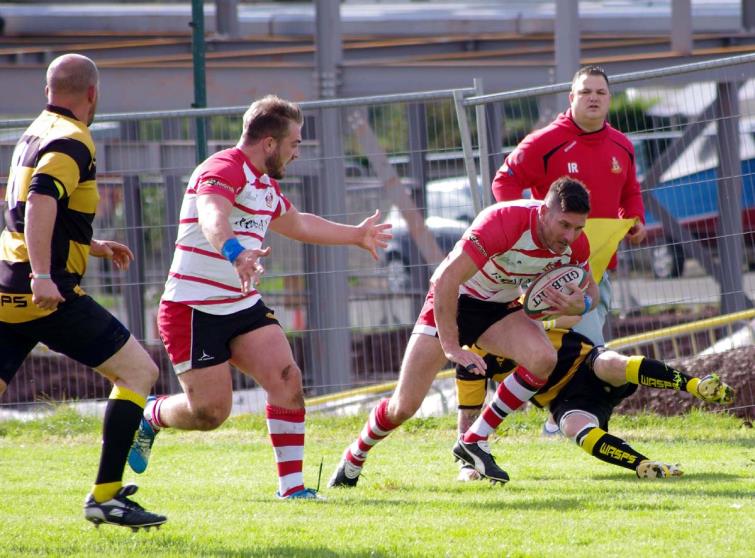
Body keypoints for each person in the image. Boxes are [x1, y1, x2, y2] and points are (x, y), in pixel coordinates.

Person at [126, 95, 392, 500]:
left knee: (287, 379)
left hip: (242, 305)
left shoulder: (265, 185)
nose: (297, 153)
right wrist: (235, 252)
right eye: (294, 144)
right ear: (269, 143)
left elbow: (299, 222)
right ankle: (151, 414)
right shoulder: (222, 168)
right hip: (192, 309)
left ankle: (293, 490)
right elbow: (212, 215)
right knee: (210, 413)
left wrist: (355, 235)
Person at [329, 176, 600, 488]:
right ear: (543, 212)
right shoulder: (504, 222)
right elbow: (444, 280)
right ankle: (355, 455)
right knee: (402, 407)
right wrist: (451, 348)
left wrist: (581, 303)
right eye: (565, 225)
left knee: (543, 358)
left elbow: (592, 293)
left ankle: (474, 439)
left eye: (578, 228)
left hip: (498, 308)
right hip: (453, 300)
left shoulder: (575, 244)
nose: (571, 235)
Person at [0, 54, 166, 530]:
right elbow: (39, 202)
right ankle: (107, 496)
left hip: (8, 286)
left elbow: (32, 208)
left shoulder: (36, 129)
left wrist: (89, 245)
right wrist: (43, 276)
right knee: (139, 371)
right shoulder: (73, 139)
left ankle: (108, 496)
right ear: (93, 94)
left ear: (48, 90)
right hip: (46, 295)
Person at [454, 319, 735, 481]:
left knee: (611, 363)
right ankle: (644, 466)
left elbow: (579, 302)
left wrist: (575, 299)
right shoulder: (471, 361)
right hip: (565, 399)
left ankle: (696, 385)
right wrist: (467, 465)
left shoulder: (518, 311)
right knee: (573, 427)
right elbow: (468, 415)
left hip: (586, 363)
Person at [492, 65, 647, 347]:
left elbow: (630, 191)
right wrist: (523, 229)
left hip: (599, 269)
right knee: (585, 354)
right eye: (585, 91)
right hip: (553, 269)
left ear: (609, 99)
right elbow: (504, 182)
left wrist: (635, 219)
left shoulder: (622, 145)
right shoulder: (543, 142)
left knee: (563, 357)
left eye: (601, 92)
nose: (593, 97)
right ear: (571, 97)